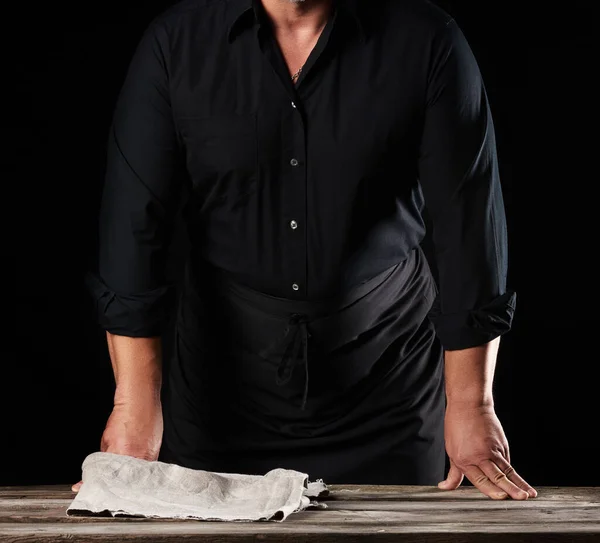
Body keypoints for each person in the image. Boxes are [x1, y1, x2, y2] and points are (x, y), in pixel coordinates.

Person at [73, 0, 537, 500]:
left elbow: (469, 227)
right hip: (219, 393)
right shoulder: (175, 43)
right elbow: (134, 228)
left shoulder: (429, 40)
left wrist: (472, 404)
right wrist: (133, 406)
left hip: (390, 385)